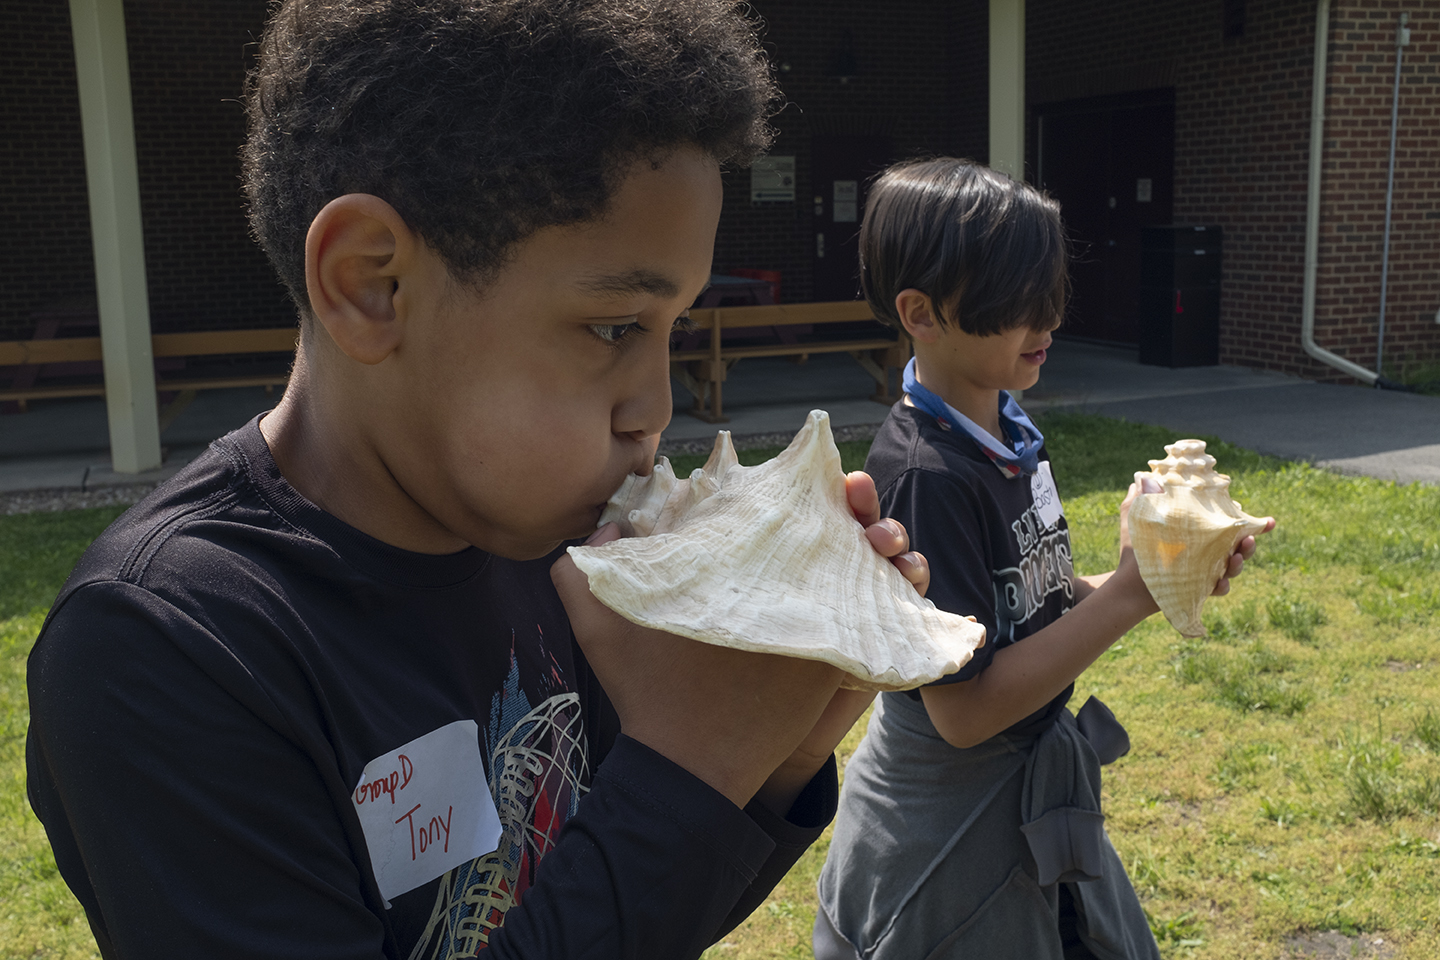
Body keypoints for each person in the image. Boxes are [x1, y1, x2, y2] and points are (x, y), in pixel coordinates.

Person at [24, 2, 918, 957]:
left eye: (675, 332)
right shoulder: (165, 648)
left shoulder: (546, 548)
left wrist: (777, 746)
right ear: (373, 285)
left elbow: (625, 891)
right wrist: (692, 766)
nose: (656, 409)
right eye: (615, 328)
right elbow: (644, 849)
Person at [813, 159, 1274, 960]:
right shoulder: (927, 475)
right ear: (921, 312)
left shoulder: (1010, 432)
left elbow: (1032, 610)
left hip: (1026, 784)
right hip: (948, 817)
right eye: (1011, 304)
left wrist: (1158, 577)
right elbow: (963, 711)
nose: (1044, 321)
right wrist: (1126, 598)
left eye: (1050, 294)